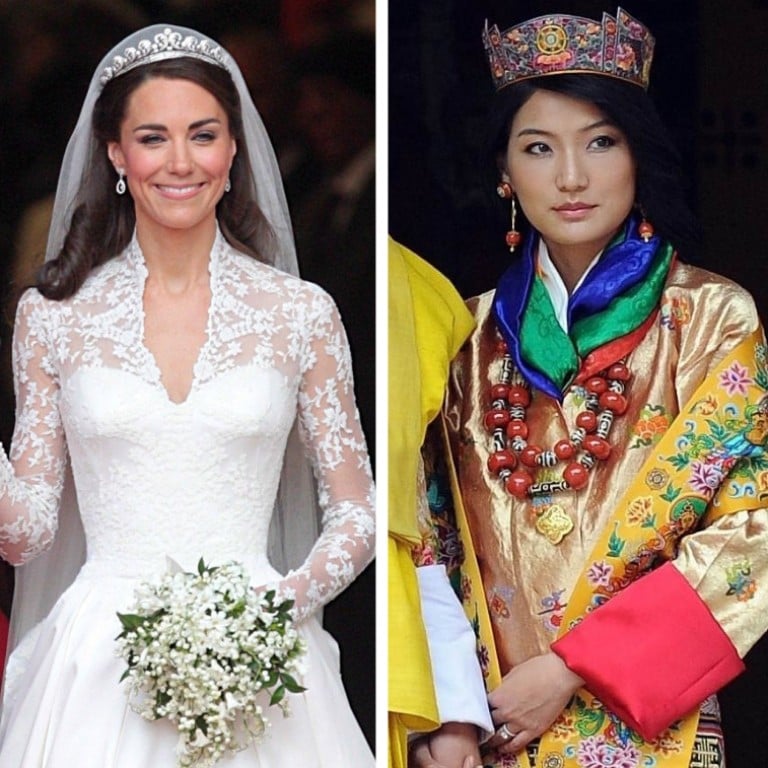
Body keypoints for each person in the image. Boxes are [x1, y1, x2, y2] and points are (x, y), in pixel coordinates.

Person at [0, 24, 375, 767]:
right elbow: (28, 533)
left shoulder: (301, 312)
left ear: (234, 149)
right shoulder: (52, 317)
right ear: (115, 152)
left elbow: (356, 511)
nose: (179, 162)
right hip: (97, 664)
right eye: (152, 137)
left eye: (202, 135)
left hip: (264, 648)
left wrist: (279, 607)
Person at [404, 7, 768, 768]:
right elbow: (423, 534)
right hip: (488, 732)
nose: (571, 177)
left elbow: (752, 531)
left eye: (600, 142)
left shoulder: (708, 318)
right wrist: (451, 711)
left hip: (652, 734)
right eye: (539, 149)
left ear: (637, 154)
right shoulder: (462, 337)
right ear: (506, 172)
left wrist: (575, 667)